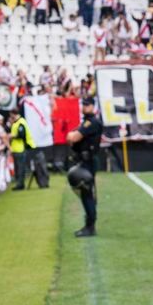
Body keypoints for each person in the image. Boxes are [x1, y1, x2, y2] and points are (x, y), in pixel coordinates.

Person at [66, 97, 105, 237]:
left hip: (88, 161)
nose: (84, 107)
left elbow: (73, 137)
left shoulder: (92, 122)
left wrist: (72, 136)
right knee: (85, 193)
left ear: (93, 106)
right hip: (84, 160)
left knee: (87, 194)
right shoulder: (86, 122)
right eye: (83, 104)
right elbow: (70, 136)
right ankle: (89, 224)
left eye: (87, 105)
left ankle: (90, 226)